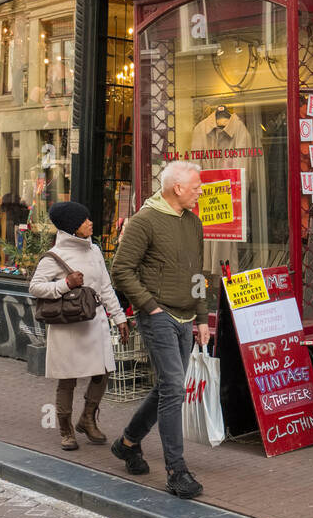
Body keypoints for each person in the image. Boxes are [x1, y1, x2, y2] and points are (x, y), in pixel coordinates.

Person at [110, 161, 209, 499]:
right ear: (177, 188)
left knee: (170, 386)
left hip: (185, 316)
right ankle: (176, 472)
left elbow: (198, 274)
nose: (200, 191)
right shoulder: (144, 221)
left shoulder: (194, 223)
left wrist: (203, 318)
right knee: (172, 388)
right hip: (159, 315)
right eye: (196, 187)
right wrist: (149, 306)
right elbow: (121, 269)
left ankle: (127, 443)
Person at [29, 202, 130, 451]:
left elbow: (105, 287)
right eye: (85, 220)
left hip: (94, 323)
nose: (90, 223)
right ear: (73, 226)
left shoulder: (94, 250)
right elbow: (35, 287)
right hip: (67, 326)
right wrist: (65, 284)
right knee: (67, 378)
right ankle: (65, 429)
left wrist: (119, 317)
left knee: (103, 371)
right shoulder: (56, 255)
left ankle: (87, 418)